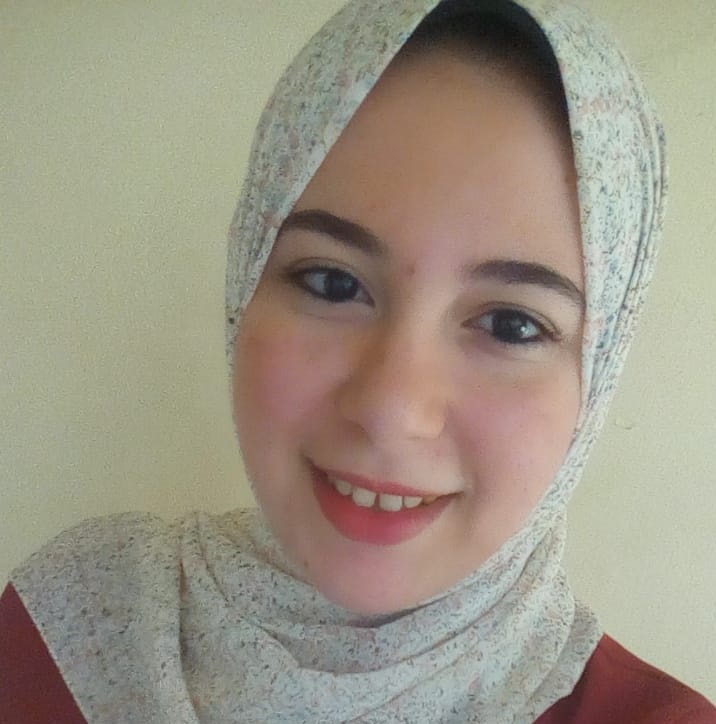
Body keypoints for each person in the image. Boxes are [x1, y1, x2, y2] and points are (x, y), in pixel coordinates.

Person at [1, 0, 714, 721]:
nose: (390, 409)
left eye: (511, 324)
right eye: (333, 283)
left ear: (599, 372)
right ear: (245, 281)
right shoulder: (62, 635)